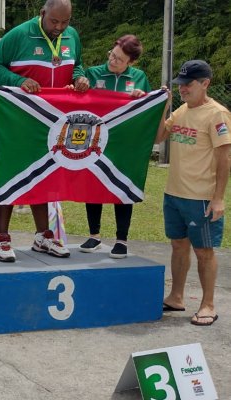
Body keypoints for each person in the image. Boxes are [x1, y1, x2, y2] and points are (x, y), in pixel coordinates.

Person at [0, 0, 89, 262]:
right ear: (42, 14)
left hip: (55, 122)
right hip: (20, 119)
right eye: (54, 21)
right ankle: (2, 238)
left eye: (65, 22)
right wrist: (19, 81)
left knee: (47, 174)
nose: (60, 27)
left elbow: (77, 65)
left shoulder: (71, 36)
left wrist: (79, 77)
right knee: (14, 173)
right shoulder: (19, 35)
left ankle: (44, 235)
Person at [155, 60, 229, 326]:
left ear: (205, 83)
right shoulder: (182, 110)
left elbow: (224, 157)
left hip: (201, 197)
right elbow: (158, 137)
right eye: (180, 85)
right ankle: (176, 296)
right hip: (174, 193)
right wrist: (163, 106)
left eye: (188, 84)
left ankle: (208, 304)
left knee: (204, 251)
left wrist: (219, 197)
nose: (183, 89)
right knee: (178, 246)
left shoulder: (217, 114)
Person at [79, 34, 150, 259]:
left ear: (131, 62)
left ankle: (121, 240)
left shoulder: (139, 77)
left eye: (119, 59)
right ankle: (94, 235)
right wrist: (79, 85)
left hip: (125, 144)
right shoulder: (93, 73)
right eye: (112, 55)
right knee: (93, 184)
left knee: (122, 188)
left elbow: (148, 107)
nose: (113, 60)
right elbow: (77, 96)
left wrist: (142, 96)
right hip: (96, 141)